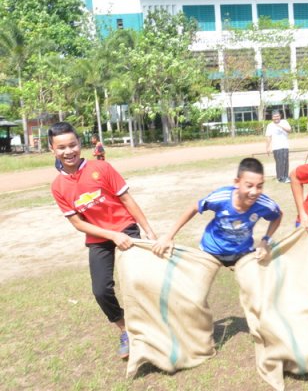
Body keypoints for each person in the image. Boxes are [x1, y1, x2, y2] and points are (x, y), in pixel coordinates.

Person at [48, 121, 156, 359]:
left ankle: (154, 327)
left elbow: (127, 200)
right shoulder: (58, 186)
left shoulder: (102, 168)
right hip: (99, 238)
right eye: (62, 147)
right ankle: (126, 331)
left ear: (80, 144)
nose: (69, 151)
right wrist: (111, 235)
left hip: (126, 228)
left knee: (137, 282)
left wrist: (148, 230)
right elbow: (77, 223)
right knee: (101, 290)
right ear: (53, 150)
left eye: (73, 145)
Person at [152, 157, 282, 267]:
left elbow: (278, 216)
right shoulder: (221, 198)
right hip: (211, 250)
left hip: (243, 252)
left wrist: (265, 241)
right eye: (249, 186)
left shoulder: (264, 204)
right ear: (237, 183)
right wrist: (169, 236)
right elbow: (194, 208)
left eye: (259, 186)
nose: (254, 192)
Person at [265, 110, 292, 183]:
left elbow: (289, 130)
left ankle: (286, 176)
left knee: (285, 161)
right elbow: (268, 137)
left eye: (277, 116)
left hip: (285, 145)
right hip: (276, 146)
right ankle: (280, 177)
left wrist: (280, 126)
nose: (276, 118)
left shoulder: (284, 122)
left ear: (280, 116)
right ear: (272, 117)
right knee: (279, 161)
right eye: (274, 117)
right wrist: (267, 147)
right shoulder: (270, 125)